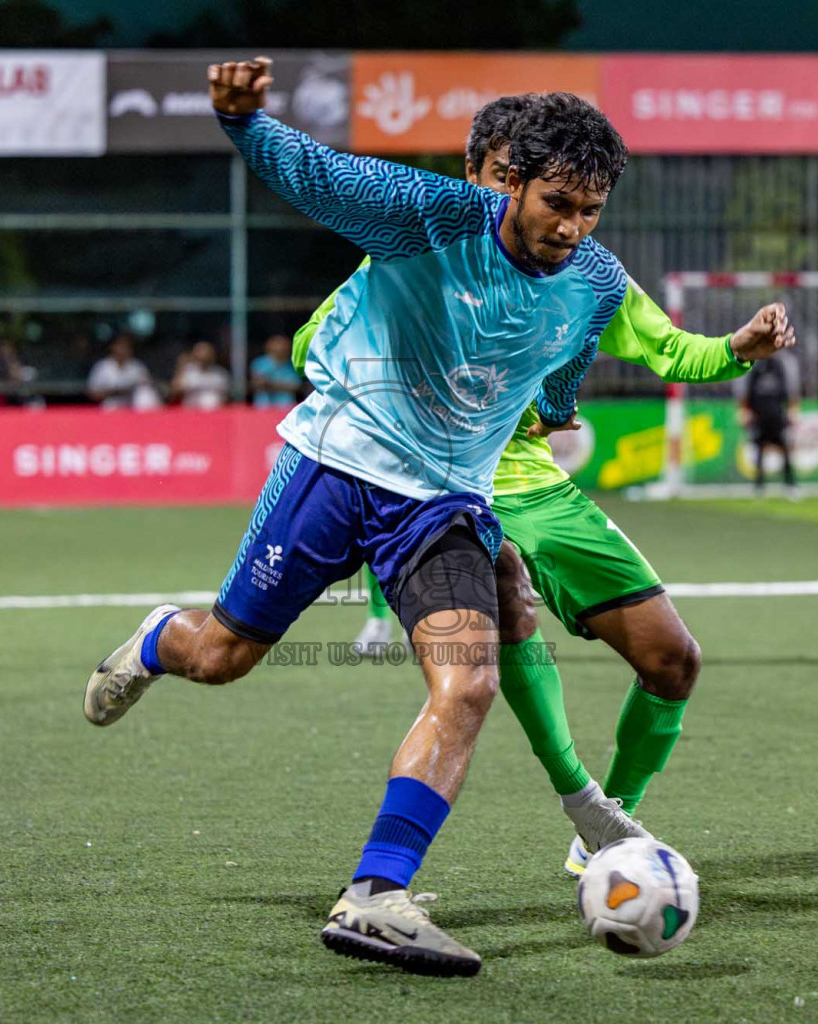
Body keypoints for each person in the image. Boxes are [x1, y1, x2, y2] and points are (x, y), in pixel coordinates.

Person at [82, 59, 791, 977]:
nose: (572, 229)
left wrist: (570, 395)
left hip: (447, 502)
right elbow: (321, 176)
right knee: (220, 657)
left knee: (468, 683)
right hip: (335, 469)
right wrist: (245, 124)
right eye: (556, 205)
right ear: (510, 184)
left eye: (590, 211)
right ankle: (154, 642)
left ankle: (376, 895)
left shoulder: (597, 280)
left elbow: (568, 356)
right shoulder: (431, 216)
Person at [303, 95, 793, 880]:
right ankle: (579, 798)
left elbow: (670, 349)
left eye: (573, 201)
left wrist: (739, 344)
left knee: (673, 660)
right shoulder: (417, 245)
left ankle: (605, 827)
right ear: (477, 176)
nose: (526, 208)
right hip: (440, 477)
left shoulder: (587, 275)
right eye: (506, 181)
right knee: (506, 596)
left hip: (534, 481)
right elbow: (315, 339)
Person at [739, 347, 801, 497]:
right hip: (759, 416)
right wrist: (744, 411)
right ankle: (759, 486)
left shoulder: (781, 364)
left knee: (785, 449)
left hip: (778, 415)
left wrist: (792, 409)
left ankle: (790, 484)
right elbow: (746, 391)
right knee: (760, 450)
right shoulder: (753, 366)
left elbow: (790, 390)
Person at [87, 335, 159, 410]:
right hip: (111, 405)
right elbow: (92, 393)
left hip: (132, 405)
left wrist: (131, 390)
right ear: (113, 347)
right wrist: (115, 392)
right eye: (120, 346)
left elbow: (147, 387)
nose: (123, 349)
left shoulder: (137, 366)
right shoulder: (102, 366)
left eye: (126, 347)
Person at [171, 340, 230, 409]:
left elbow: (227, 397)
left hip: (214, 413)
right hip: (191, 413)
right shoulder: (188, 371)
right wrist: (181, 366)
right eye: (199, 352)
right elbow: (174, 392)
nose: (203, 356)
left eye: (206, 352)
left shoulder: (220, 374)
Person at [248, 334, 302, 407]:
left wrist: (270, 384)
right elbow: (257, 384)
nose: (281, 348)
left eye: (284, 346)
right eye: (278, 346)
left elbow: (296, 386)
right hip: (263, 407)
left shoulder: (293, 365)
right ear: (269, 348)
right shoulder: (259, 363)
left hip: (286, 407)